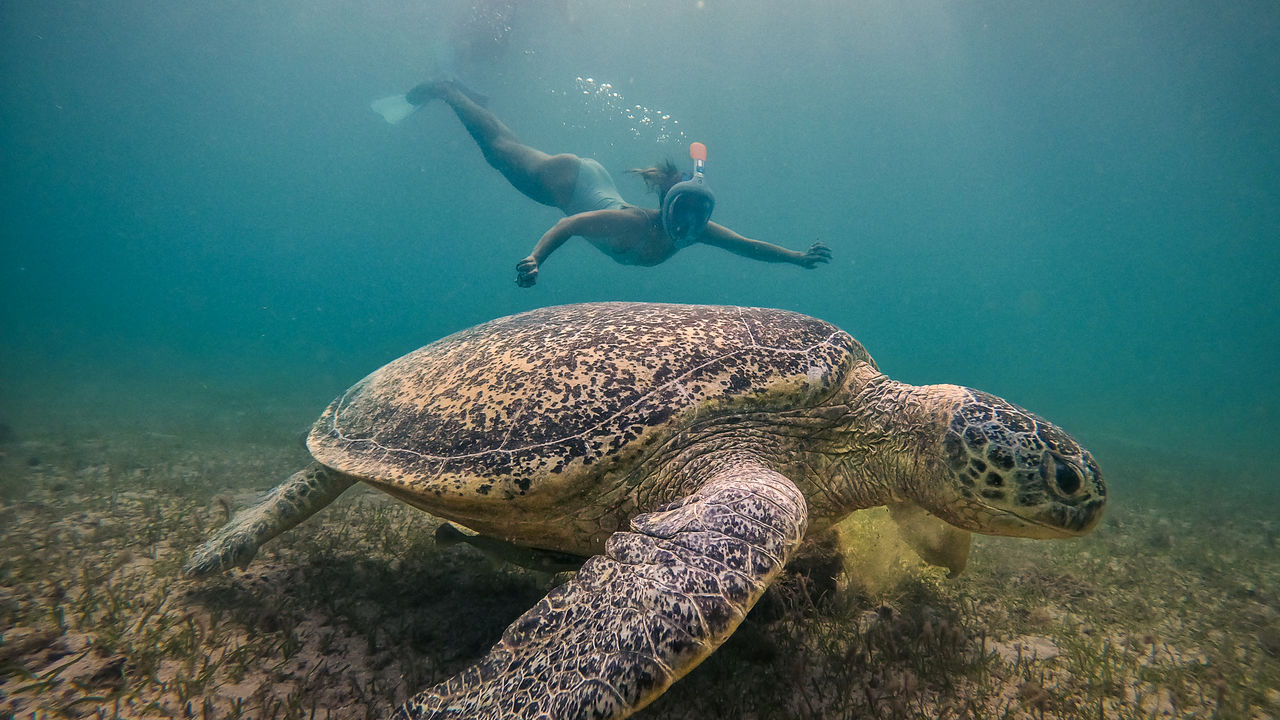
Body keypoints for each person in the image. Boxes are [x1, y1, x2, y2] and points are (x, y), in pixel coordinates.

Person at [375, 79, 832, 287]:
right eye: (682, 217)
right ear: (664, 209)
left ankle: (458, 94)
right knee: (499, 152)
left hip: (591, 181)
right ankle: (448, 91)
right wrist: (536, 259)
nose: (688, 229)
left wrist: (796, 258)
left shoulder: (695, 231)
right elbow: (569, 227)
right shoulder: (630, 223)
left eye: (699, 218)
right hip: (568, 180)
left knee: (504, 149)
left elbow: (747, 246)